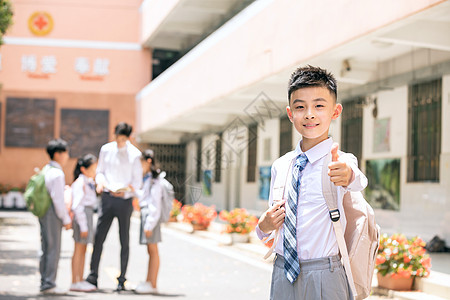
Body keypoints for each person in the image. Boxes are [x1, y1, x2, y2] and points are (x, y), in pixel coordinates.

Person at [256, 65, 368, 300]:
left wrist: (347, 175)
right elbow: (273, 223)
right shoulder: (281, 165)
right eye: (300, 107)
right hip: (282, 271)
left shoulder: (340, 161)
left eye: (319, 106)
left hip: (325, 274)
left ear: (335, 111)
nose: (309, 114)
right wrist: (264, 226)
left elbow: (358, 180)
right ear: (290, 114)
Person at [86, 122, 143, 291]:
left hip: (124, 200)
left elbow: (137, 180)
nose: (120, 142)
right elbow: (100, 171)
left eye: (123, 139)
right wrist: (100, 183)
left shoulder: (135, 154)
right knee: (99, 237)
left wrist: (126, 191)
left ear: (129, 137)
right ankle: (92, 276)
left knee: (124, 240)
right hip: (107, 197)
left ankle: (122, 278)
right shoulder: (106, 149)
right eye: (118, 138)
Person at [39, 139, 72, 295]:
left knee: (45, 247)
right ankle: (49, 283)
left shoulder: (46, 169)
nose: (67, 156)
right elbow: (58, 200)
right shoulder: (57, 173)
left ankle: (45, 280)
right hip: (53, 213)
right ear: (58, 154)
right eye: (65, 153)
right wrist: (66, 219)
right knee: (53, 249)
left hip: (43, 212)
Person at [135, 149, 163, 294]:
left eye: (142, 164)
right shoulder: (148, 178)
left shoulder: (154, 180)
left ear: (148, 161)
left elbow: (155, 204)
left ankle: (152, 283)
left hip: (151, 218)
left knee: (153, 250)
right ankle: (149, 281)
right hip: (148, 217)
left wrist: (150, 224)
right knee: (150, 250)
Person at [70, 154, 98, 292]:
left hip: (87, 216)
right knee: (79, 250)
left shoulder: (88, 182)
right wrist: (83, 225)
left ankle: (79, 279)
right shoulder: (80, 183)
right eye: (92, 169)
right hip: (83, 218)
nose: (95, 172)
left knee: (83, 250)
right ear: (83, 169)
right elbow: (77, 206)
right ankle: (75, 281)